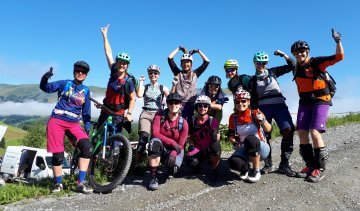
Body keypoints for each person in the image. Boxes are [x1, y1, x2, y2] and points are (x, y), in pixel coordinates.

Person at [291, 28, 344, 182]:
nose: (299, 54)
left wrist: (338, 41)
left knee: (314, 132)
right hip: (305, 102)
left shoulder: (316, 63)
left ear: (307, 52)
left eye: (302, 51)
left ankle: (320, 169)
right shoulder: (296, 67)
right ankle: (310, 165)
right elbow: (289, 62)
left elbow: (339, 57)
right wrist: (284, 55)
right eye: (296, 52)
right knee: (301, 131)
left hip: (321, 100)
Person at [39, 61, 93, 194]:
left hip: (74, 123)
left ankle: (81, 182)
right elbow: (45, 88)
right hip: (56, 120)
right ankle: (58, 183)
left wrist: (87, 127)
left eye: (83, 72)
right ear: (74, 72)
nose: (80, 73)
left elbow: (86, 112)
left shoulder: (86, 90)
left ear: (86, 75)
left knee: (87, 148)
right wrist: (45, 77)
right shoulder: (65, 83)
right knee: (58, 155)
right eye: (78, 71)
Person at [249, 51, 297, 177]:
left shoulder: (273, 72)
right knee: (265, 135)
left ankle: (284, 165)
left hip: (279, 105)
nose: (261, 65)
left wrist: (283, 54)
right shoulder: (253, 80)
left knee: (288, 129)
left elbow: (292, 65)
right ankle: (268, 164)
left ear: (266, 63)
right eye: (258, 62)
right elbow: (252, 98)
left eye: (263, 62)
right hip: (263, 107)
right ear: (254, 63)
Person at [98, 24, 137, 133]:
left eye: (125, 64)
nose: (122, 65)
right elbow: (108, 53)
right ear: (117, 63)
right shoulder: (113, 72)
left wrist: (129, 113)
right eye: (120, 62)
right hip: (105, 109)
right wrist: (105, 36)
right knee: (99, 136)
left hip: (118, 114)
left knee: (115, 142)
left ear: (127, 66)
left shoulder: (128, 81)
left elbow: (133, 98)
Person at [227, 89, 271, 183]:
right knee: (233, 162)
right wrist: (234, 142)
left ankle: (256, 171)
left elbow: (268, 129)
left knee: (250, 139)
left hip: (261, 148)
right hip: (244, 148)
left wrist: (263, 121)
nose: (240, 104)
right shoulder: (233, 117)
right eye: (237, 101)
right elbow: (231, 135)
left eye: (243, 101)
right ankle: (245, 169)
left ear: (248, 102)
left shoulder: (255, 113)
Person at [147, 93, 189, 190]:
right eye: (170, 103)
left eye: (176, 103)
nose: (173, 105)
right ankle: (153, 176)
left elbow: (181, 145)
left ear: (180, 105)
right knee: (154, 142)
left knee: (172, 169)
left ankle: (166, 165)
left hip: (175, 150)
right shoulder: (159, 115)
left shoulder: (184, 123)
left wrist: (174, 153)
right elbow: (155, 133)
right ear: (167, 104)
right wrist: (173, 143)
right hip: (162, 146)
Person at [134, 64, 170, 170]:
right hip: (146, 114)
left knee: (156, 140)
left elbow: (171, 99)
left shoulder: (163, 88)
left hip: (158, 115)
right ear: (148, 75)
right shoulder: (145, 87)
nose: (153, 75)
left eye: (155, 73)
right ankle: (137, 165)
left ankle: (155, 164)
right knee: (143, 139)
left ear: (158, 75)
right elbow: (139, 95)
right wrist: (140, 81)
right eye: (151, 73)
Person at [168, 46, 210, 123]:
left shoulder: (195, 74)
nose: (185, 64)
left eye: (188, 62)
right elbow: (170, 58)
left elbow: (206, 62)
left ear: (191, 64)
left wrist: (198, 51)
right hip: (179, 103)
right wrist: (179, 48)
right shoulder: (178, 73)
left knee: (189, 125)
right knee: (178, 124)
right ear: (181, 64)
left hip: (191, 104)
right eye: (183, 62)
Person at [185, 95, 221, 181]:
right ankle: (198, 165)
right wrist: (192, 146)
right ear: (196, 107)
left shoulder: (213, 121)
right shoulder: (193, 121)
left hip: (209, 147)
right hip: (198, 148)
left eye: (205, 106)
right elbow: (191, 137)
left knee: (215, 145)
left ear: (209, 108)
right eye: (199, 105)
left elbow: (216, 137)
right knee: (190, 161)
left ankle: (215, 168)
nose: (202, 108)